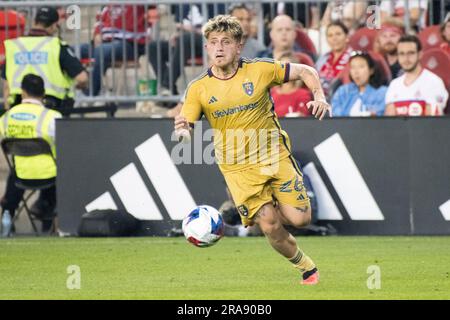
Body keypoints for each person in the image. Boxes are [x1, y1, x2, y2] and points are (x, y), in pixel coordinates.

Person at [174, 15, 331, 285]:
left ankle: (267, 204)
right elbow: (185, 125)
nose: (219, 48)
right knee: (269, 225)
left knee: (301, 219)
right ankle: (307, 267)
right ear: (207, 48)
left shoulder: (260, 69)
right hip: (238, 169)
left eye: (226, 42)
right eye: (213, 43)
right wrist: (183, 132)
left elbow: (306, 71)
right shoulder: (198, 89)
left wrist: (319, 96)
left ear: (239, 46)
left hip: (273, 155)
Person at [0, 74, 61, 236]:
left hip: (19, 177)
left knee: (16, 169)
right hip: (50, 177)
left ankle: (8, 217)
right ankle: (47, 223)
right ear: (43, 93)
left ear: (23, 93)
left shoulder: (7, 117)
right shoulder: (52, 117)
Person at [2, 6, 88, 112]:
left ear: (34, 22)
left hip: (18, 107)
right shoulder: (56, 46)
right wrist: (78, 86)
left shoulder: (14, 46)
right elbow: (82, 78)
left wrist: (7, 109)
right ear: (53, 26)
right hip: (51, 108)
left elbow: (6, 85)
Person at [80, 4, 150, 96]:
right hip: (105, 43)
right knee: (75, 50)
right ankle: (81, 86)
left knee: (101, 51)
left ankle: (91, 93)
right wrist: (97, 33)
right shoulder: (106, 4)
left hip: (129, 44)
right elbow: (99, 20)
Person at [385, 35, 448, 116]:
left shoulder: (434, 82)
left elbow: (433, 119)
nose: (406, 58)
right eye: (401, 54)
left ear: (420, 54)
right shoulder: (394, 85)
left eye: (411, 53)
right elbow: (390, 119)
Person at [332, 51, 388, 117]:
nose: (356, 72)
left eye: (361, 67)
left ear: (371, 70)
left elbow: (380, 116)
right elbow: (334, 113)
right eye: (353, 67)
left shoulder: (382, 92)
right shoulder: (343, 91)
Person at [315, 21, 352, 99]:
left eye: (338, 34)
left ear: (347, 37)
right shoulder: (323, 58)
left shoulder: (353, 57)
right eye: (330, 35)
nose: (334, 38)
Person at [270, 52, 312, 117]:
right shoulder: (271, 93)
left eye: (287, 66)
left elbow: (303, 116)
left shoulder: (303, 94)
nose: (283, 70)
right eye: (280, 66)